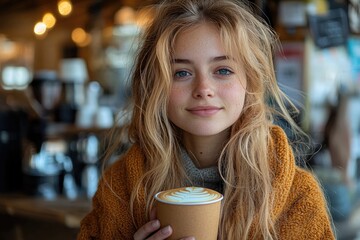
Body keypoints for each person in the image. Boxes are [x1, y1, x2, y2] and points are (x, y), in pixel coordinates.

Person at [77, 0, 335, 239]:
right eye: (181, 73)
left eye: (223, 70)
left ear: (251, 82)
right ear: (153, 85)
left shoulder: (298, 197)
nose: (203, 88)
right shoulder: (119, 190)